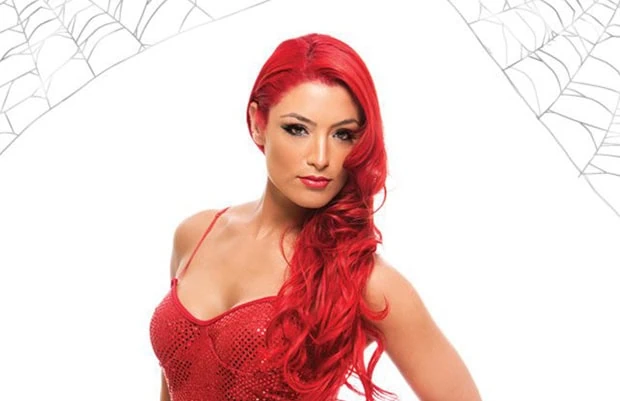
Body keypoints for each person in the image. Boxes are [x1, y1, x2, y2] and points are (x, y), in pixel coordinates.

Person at [149, 33, 482, 401]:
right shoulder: (196, 234)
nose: (321, 158)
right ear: (258, 122)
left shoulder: (363, 279)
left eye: (343, 134)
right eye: (298, 129)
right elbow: (175, 380)